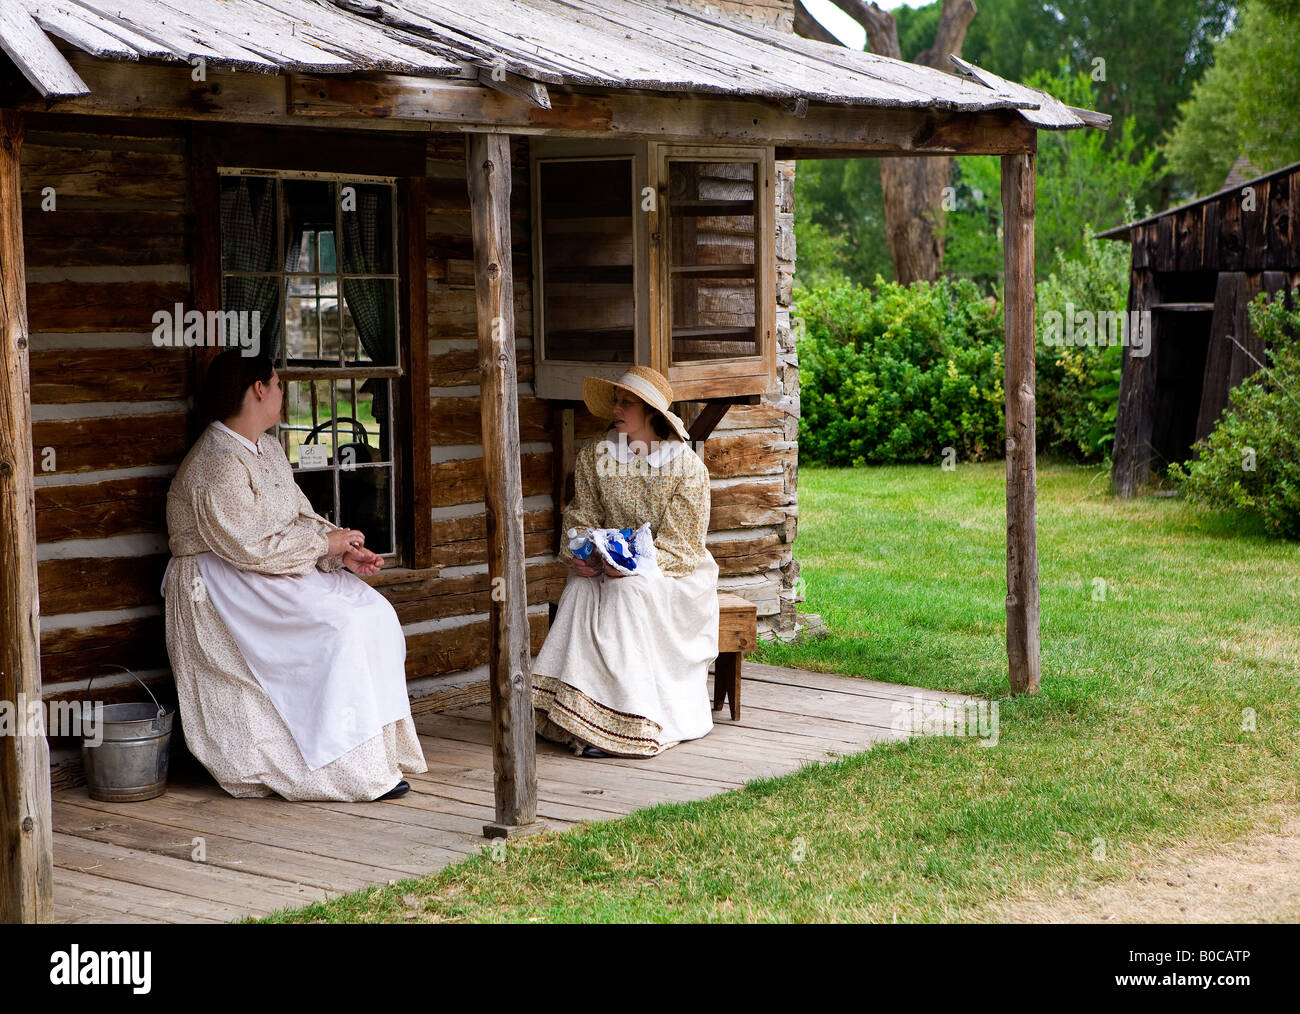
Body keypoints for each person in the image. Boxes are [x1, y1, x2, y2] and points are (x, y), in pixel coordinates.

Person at [161, 350, 427, 801]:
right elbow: (248, 545)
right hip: (225, 582)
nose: (283, 393)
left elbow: (297, 514)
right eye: (279, 384)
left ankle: (375, 755)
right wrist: (324, 547)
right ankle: (342, 765)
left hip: (273, 569)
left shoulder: (265, 447)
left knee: (375, 614)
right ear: (258, 389)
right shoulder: (216, 463)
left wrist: (339, 549)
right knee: (337, 628)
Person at [533, 365, 720, 758]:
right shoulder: (597, 457)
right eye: (615, 401)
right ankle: (571, 713)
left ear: (651, 411)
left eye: (626, 402)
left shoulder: (687, 468)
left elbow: (682, 547)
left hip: (673, 573)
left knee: (627, 590)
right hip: (607, 565)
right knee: (580, 587)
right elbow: (581, 516)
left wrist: (632, 566)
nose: (616, 408)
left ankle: (625, 721)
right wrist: (582, 555)